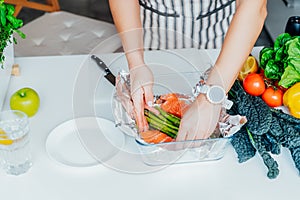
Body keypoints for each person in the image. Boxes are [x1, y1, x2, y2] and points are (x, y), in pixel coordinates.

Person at [108, 0, 267, 141]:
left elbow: (255, 6)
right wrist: (136, 62)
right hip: (153, 44)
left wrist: (210, 97)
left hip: (223, 47)